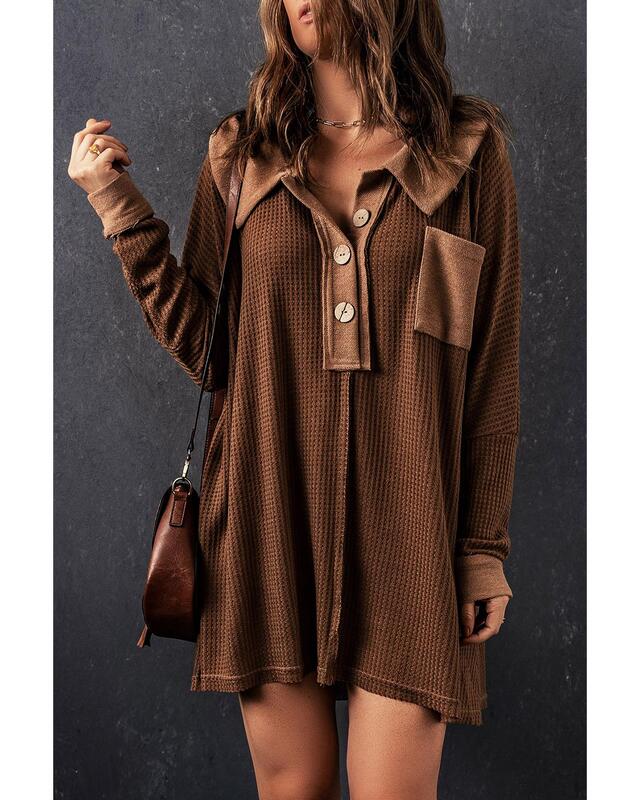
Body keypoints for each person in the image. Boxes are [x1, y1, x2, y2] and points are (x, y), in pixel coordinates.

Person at [68, 1, 521, 797]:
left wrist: (481, 546)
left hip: (413, 534)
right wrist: (119, 208)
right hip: (267, 522)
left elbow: (491, 371)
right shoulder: (243, 154)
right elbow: (209, 350)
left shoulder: (468, 152)